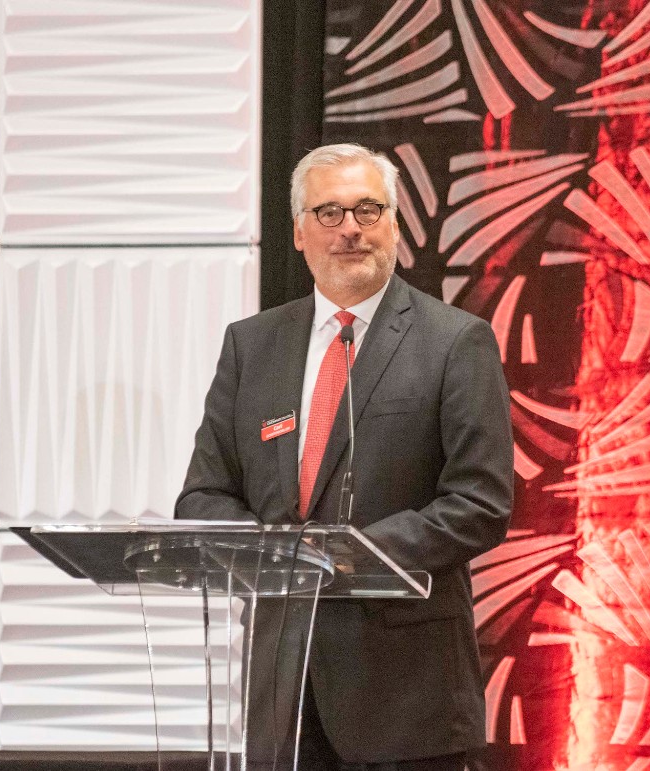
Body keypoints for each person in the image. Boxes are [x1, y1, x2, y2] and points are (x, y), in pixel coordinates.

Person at [175, 143, 513, 770]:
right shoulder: (251, 345)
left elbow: (480, 503)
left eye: (367, 210)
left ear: (395, 225)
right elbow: (202, 497)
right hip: (282, 693)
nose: (350, 229)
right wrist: (274, 554)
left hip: (407, 699)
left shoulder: (456, 342)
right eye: (329, 212)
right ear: (299, 232)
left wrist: (348, 556)